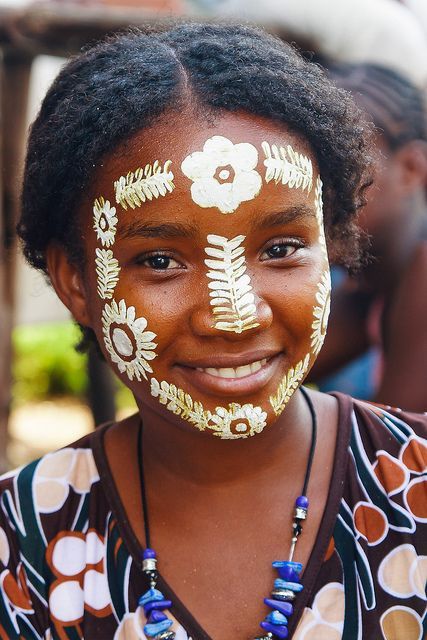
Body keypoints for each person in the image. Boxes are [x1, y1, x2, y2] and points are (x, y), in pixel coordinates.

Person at [0, 24, 425, 640]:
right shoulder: (21, 540)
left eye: (281, 247)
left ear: (329, 246)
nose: (234, 314)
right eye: (161, 260)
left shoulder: (414, 489)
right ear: (75, 283)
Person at [311, 64, 427, 411]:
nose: (319, 194)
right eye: (310, 170)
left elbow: (396, 449)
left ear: (411, 170)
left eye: (344, 170)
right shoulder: (370, 288)